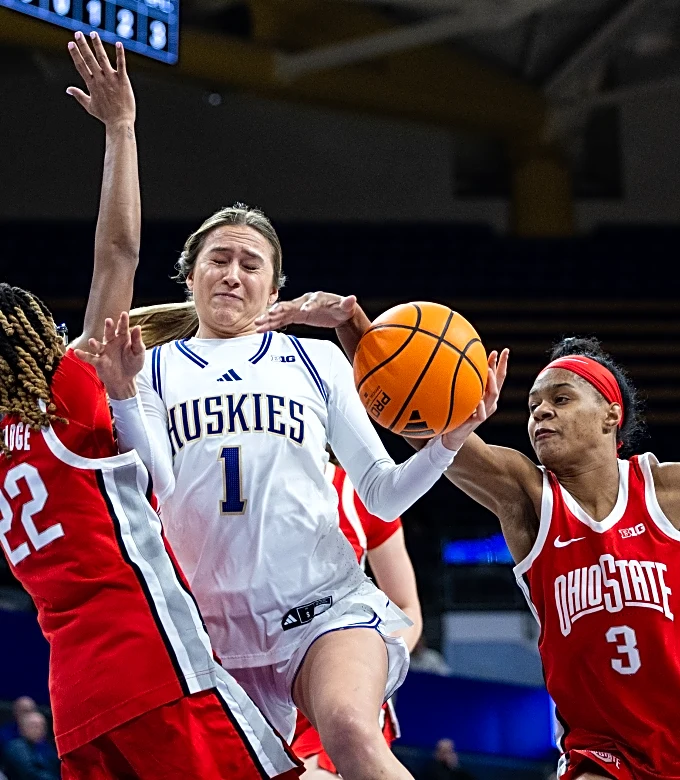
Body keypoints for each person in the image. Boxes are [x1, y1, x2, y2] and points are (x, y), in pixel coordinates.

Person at [256, 292, 680, 780]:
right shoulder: (528, 497)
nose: (541, 411)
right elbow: (422, 417)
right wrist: (358, 332)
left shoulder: (677, 488)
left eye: (561, 399)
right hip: (604, 752)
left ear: (610, 414)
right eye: (532, 405)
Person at [77, 205, 499, 780]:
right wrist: (123, 394)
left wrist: (448, 443)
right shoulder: (152, 366)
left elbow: (382, 493)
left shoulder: (316, 359)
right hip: (207, 634)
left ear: (274, 289)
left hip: (320, 610)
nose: (233, 274)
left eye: (250, 264)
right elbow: (155, 480)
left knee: (351, 731)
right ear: (190, 275)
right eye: (219, 260)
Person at [0, 32, 299, 780]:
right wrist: (122, 129)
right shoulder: (67, 392)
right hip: (151, 661)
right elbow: (118, 254)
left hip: (72, 697)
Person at [291, 457, 422, 776]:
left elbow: (406, 609)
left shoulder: (359, 494)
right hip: (249, 680)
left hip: (332, 681)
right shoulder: (216, 479)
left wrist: (365, 668)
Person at [2, 711, 59, 780]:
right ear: (22, 728)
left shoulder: (46, 747)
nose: (40, 730)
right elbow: (30, 773)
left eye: (43, 726)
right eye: (35, 726)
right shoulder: (16, 747)